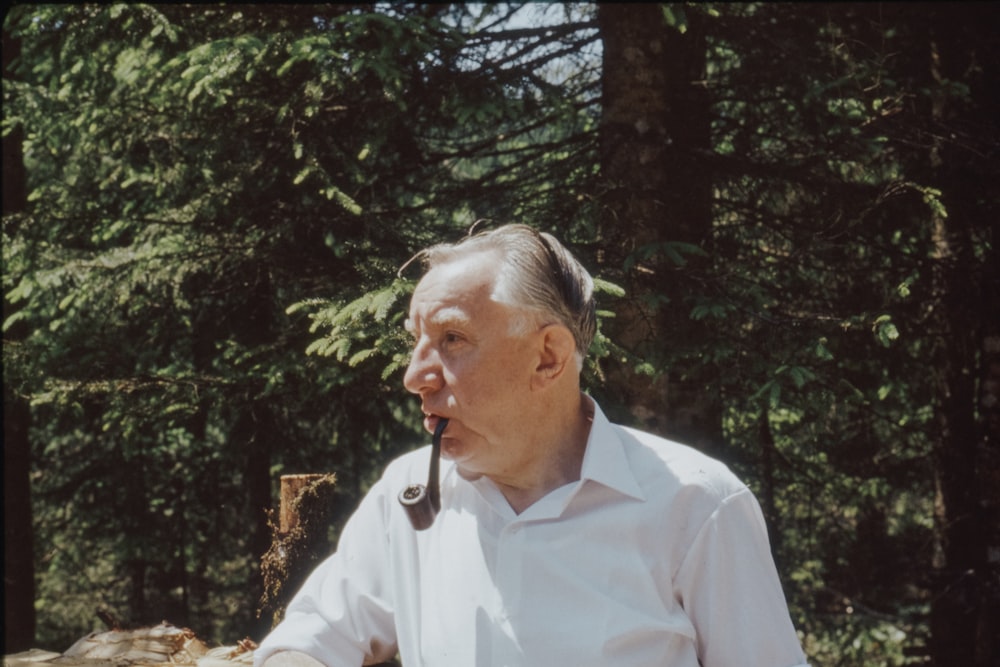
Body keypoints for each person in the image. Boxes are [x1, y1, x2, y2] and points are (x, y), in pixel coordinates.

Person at [254, 224, 809, 667]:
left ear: (548, 357)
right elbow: (314, 636)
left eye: (451, 339)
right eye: (414, 341)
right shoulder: (410, 493)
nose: (414, 375)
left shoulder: (697, 506)